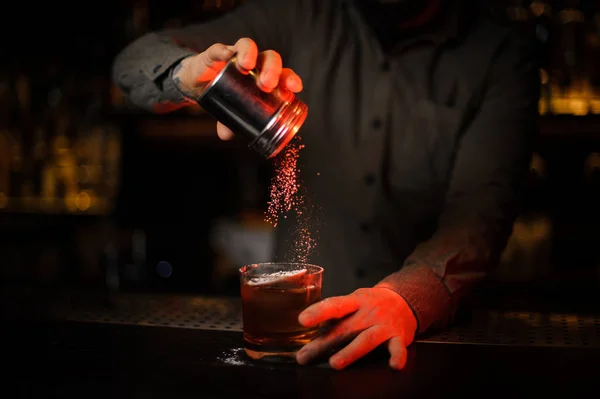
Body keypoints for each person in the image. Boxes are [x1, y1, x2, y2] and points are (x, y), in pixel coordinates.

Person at [113, 0, 539, 371]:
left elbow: (482, 212)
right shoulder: (299, 13)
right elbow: (132, 61)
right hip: (288, 343)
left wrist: (408, 298)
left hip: (422, 343)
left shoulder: (498, 52)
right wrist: (190, 75)